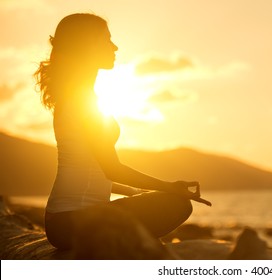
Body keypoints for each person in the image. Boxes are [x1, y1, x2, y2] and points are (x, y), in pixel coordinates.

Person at [34, 13, 210, 251]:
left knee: (168, 201)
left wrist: (137, 191)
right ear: (86, 47)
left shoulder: (76, 96)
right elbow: (112, 169)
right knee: (178, 204)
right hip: (73, 222)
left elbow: (90, 170)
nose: (115, 47)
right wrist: (170, 187)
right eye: (106, 40)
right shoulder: (81, 101)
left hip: (64, 220)